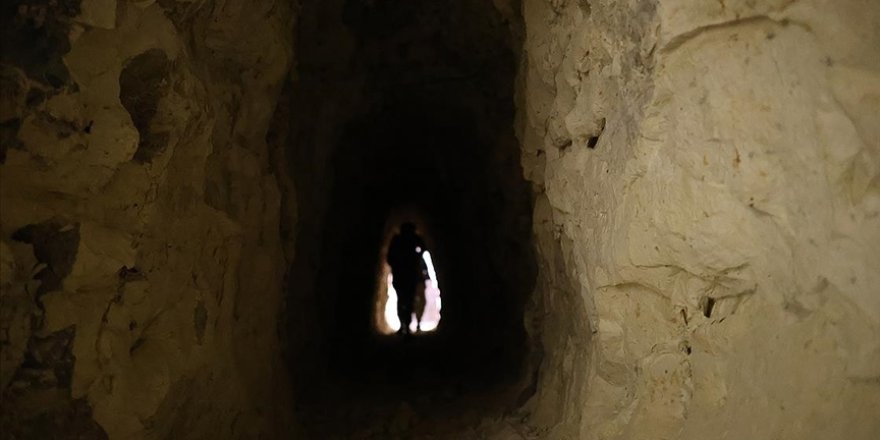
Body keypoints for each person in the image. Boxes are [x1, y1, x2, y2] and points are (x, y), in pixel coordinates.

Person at [386, 222, 430, 335]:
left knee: (402, 299)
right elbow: (424, 247)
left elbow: (389, 258)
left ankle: (403, 325)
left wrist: (397, 264)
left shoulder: (397, 240)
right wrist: (416, 257)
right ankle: (406, 325)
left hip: (401, 274)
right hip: (410, 273)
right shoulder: (413, 239)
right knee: (408, 299)